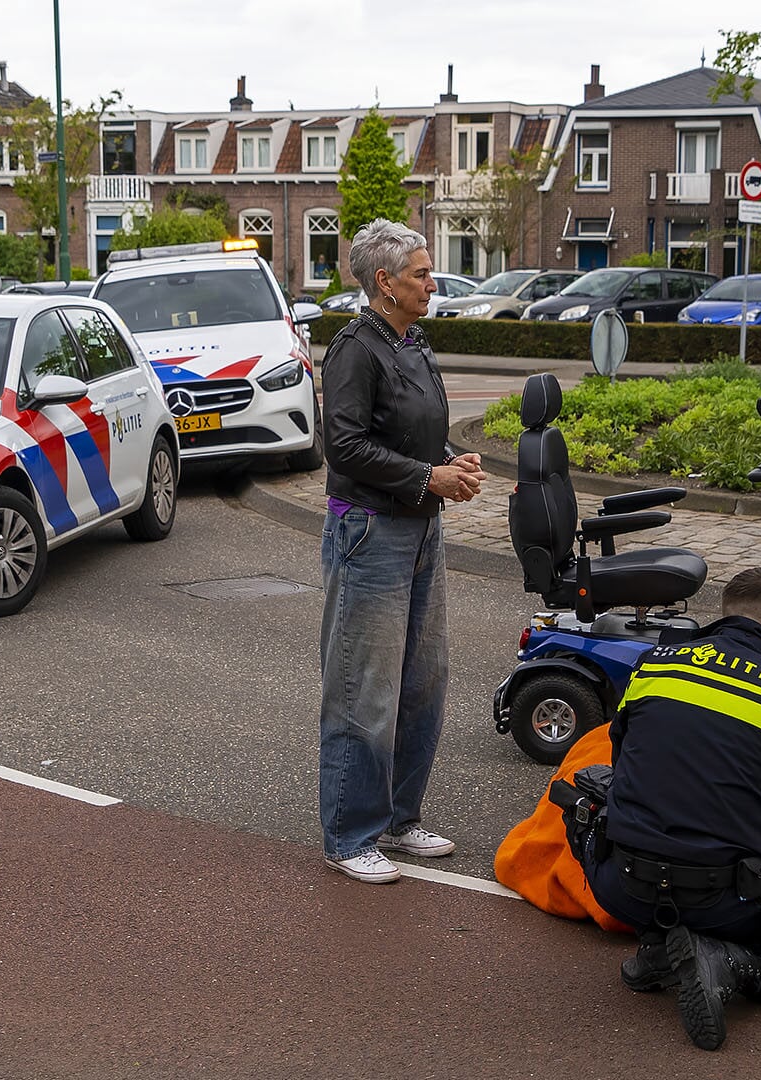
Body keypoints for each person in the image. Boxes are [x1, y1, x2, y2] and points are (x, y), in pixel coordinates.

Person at [566, 567, 761, 1051]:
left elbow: (622, 755)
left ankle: (657, 947)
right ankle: (726, 961)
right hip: (727, 901)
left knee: (583, 809)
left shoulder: (655, 664)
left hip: (624, 884)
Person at [317, 218, 487, 884]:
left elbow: (414, 433)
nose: (432, 281)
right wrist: (426, 478)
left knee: (422, 683)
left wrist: (450, 460)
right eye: (420, 272)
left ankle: (399, 817)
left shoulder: (412, 344)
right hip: (369, 532)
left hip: (419, 530)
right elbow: (346, 446)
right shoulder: (354, 349)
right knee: (365, 689)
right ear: (384, 282)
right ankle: (348, 834)